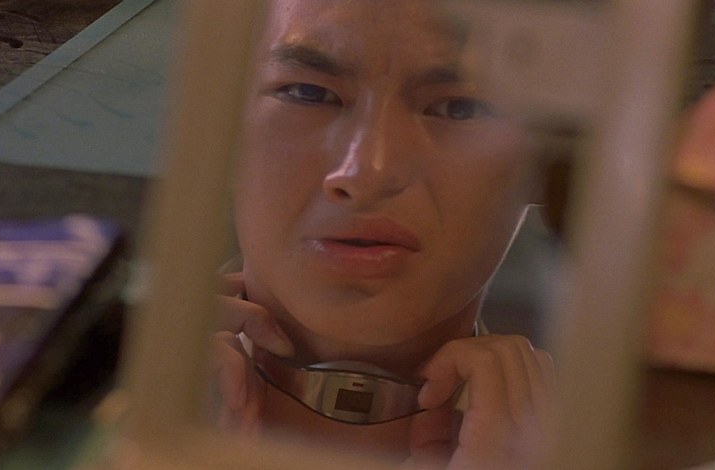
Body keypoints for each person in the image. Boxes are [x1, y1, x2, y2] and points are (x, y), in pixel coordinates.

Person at [213, 1, 556, 468]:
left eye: (459, 108)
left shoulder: (613, 448)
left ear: (546, 166)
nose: (366, 173)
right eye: (308, 93)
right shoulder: (112, 394)